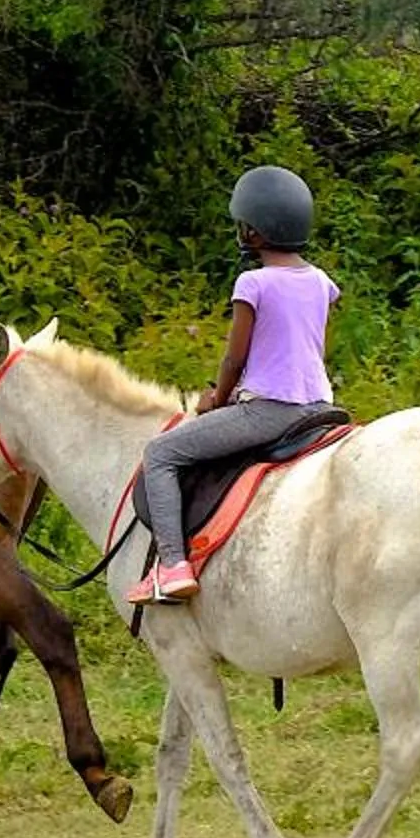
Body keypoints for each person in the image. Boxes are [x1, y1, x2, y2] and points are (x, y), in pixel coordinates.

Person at [127, 164, 340, 606]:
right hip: (320, 407)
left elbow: (235, 357)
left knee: (161, 454)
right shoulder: (321, 282)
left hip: (269, 411)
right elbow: (314, 347)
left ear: (256, 232)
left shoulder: (253, 282)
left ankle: (172, 565)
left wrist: (217, 400)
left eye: (243, 224)